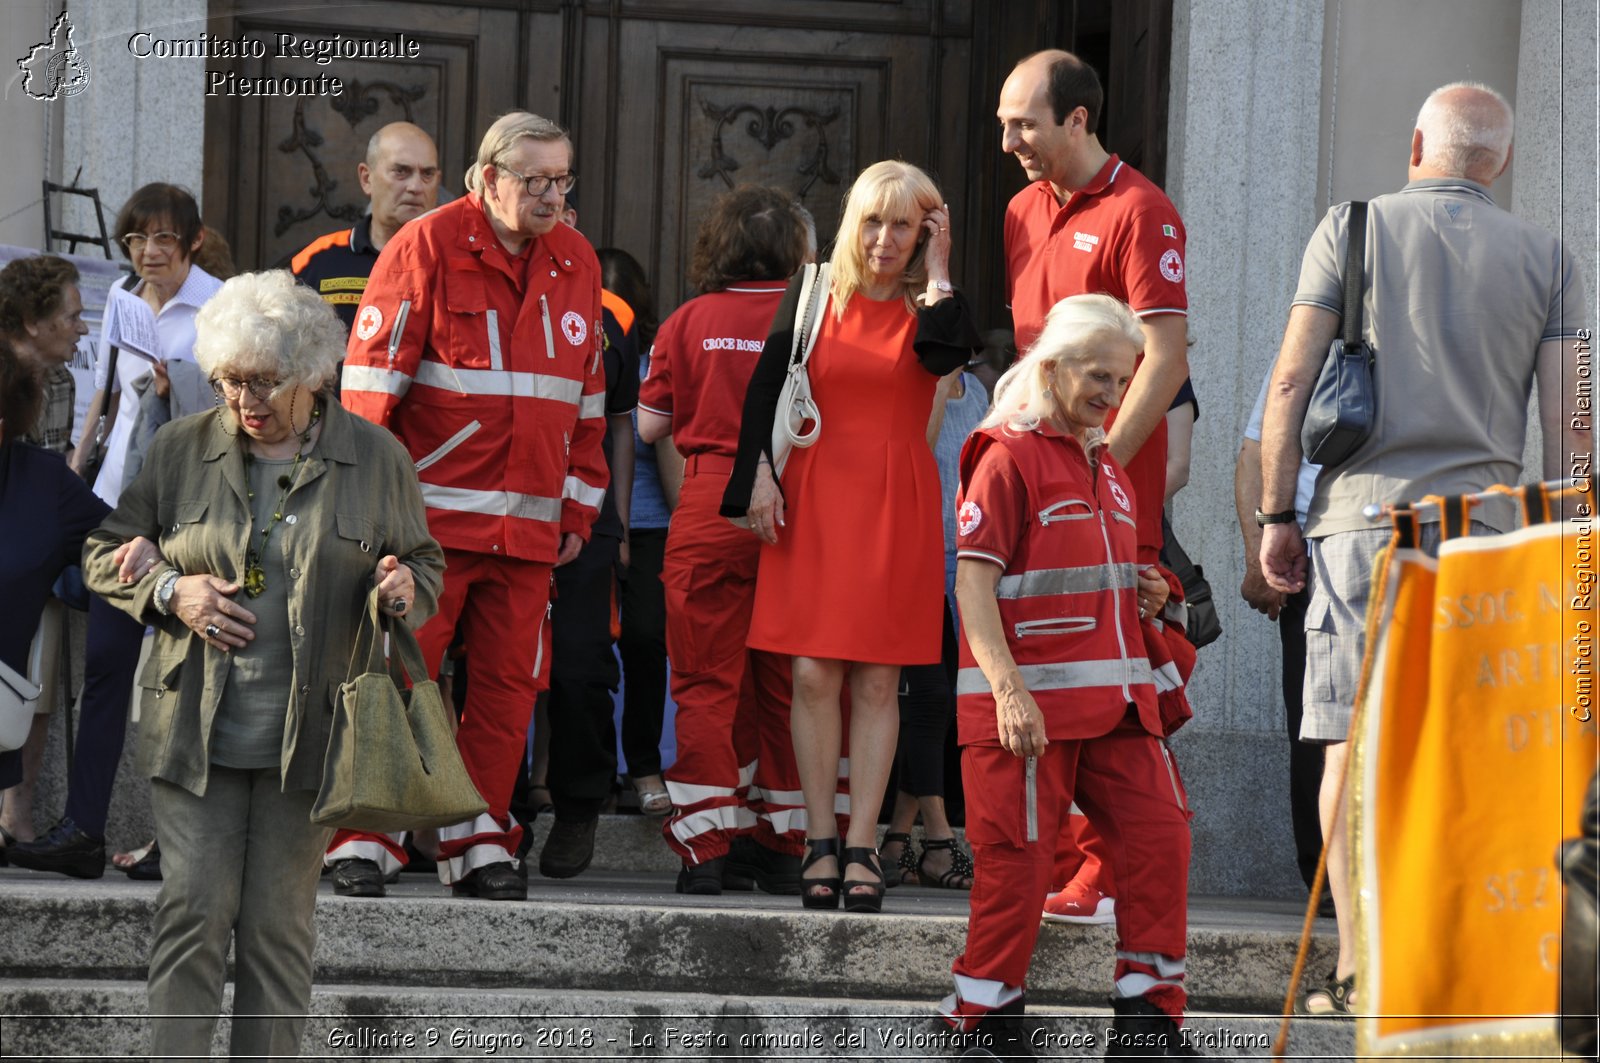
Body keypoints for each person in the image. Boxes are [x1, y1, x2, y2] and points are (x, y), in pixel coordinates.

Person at [1258, 82, 1588, 1016]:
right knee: (1461, 758)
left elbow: (1290, 382)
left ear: (1416, 146)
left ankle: (1362, 968)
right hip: (1486, 536)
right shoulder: (1550, 256)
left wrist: (1276, 516)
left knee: (1349, 751)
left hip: (1362, 524)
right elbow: (1574, 425)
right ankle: (1439, 965)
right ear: (1502, 163)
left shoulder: (1348, 227)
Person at [80, 270, 443, 1058]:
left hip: (308, 741)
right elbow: (105, 553)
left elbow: (423, 563)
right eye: (228, 379)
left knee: (279, 933)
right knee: (193, 916)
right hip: (193, 729)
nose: (244, 400)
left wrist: (403, 586)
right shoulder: (183, 447)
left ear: (314, 372)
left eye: (264, 382)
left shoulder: (376, 457)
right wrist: (171, 589)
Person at [332, 110, 608, 902]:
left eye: (563, 179)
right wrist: (370, 521)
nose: (553, 194)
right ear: (487, 178)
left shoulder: (577, 260)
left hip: (528, 533)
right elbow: (368, 398)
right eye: (536, 180)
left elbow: (586, 401)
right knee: (394, 678)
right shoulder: (423, 246)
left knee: (504, 692)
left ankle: (478, 836)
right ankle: (366, 836)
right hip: (427, 530)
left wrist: (578, 512)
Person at [938, 294, 1193, 1058]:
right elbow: (973, 585)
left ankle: (1148, 1024)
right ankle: (982, 1021)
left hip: (1115, 707)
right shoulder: (1005, 452)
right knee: (1017, 869)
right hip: (1029, 711)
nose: (1114, 398)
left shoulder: (1104, 460)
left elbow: (1095, 571)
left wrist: (1150, 588)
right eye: (1100, 378)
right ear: (1051, 367)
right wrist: (1009, 692)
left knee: (1160, 838)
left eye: (1123, 380)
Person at [723, 160, 979, 912]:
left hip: (896, 502)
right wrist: (760, 476)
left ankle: (864, 842)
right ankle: (819, 839)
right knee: (812, 673)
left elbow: (945, 355)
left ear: (926, 232)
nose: (884, 238)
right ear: (851, 221)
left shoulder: (933, 307)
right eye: (874, 220)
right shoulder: (809, 293)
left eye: (905, 224)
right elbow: (764, 391)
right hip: (815, 496)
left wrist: (939, 268)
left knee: (875, 679)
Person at [998, 48, 1192, 926]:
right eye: (1005, 124)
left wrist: (1099, 462)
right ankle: (1075, 858)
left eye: (1025, 124)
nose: (1010, 141)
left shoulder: (1140, 210)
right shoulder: (1017, 212)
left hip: (1106, 496)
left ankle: (1111, 870)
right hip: (1033, 494)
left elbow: (1164, 359)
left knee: (1114, 681)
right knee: (1048, 669)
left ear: (1078, 119)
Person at [14, 184, 222, 881]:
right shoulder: (125, 301)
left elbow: (234, 409)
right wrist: (70, 482)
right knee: (105, 672)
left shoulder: (220, 305)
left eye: (164, 239)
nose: (149, 252)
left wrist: (179, 386)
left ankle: (178, 838)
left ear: (193, 240)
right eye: (136, 240)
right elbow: (101, 398)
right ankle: (84, 829)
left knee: (188, 681)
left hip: (187, 520)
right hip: (116, 510)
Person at [637, 185, 812, 894]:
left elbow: (650, 426)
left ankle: (707, 845)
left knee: (706, 682)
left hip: (712, 500)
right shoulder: (814, 319)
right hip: (798, 510)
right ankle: (783, 841)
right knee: (786, 683)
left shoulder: (688, 319)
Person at [532, 188, 640, 878]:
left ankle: (576, 806)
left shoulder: (609, 310)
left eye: (566, 201)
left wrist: (618, 519)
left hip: (586, 513)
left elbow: (622, 420)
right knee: (485, 667)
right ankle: (481, 815)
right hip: (490, 506)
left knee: (578, 667)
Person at [0, 264, 107, 864]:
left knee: (29, 680)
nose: (80, 326)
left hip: (43, 527)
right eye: (69, 315)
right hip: (25, 529)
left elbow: (57, 466)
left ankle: (17, 807)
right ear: (32, 323)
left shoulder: (61, 379)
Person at [880, 364, 988, 891]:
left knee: (941, 708)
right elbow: (912, 458)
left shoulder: (982, 390)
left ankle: (898, 845)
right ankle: (941, 842)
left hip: (967, 565)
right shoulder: (913, 385)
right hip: (912, 560)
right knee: (928, 701)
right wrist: (938, 390)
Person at [1234, 370, 1324, 900]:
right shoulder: (1314, 335)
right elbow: (1252, 454)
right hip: (1312, 557)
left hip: (1422, 551)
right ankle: (1325, 885)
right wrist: (1256, 558)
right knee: (1316, 727)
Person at [600, 246, 674, 817]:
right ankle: (582, 771)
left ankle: (645, 768)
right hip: (581, 522)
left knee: (646, 642)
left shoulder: (654, 363)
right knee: (581, 655)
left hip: (649, 528)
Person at [291, 122, 442, 333]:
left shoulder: (458, 263)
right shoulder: (317, 259)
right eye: (401, 171)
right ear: (366, 178)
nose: (416, 187)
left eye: (427, 174)